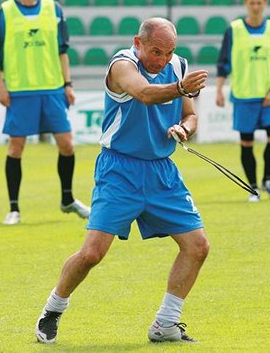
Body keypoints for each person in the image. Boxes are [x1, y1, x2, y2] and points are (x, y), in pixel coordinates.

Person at [35, 17, 210, 344]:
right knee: (92, 254)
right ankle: (53, 308)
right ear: (138, 42)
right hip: (120, 170)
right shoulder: (121, 65)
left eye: (169, 53)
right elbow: (143, 94)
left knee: (197, 247)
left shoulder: (177, 66)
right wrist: (181, 87)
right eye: (156, 51)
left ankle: (166, 324)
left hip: (161, 171)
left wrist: (184, 128)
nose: (162, 60)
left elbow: (190, 113)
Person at [0, 0, 90, 225]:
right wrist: (0, 86)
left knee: (67, 144)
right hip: (19, 91)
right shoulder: (4, 12)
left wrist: (67, 84)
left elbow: (63, 51)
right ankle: (14, 209)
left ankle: (68, 199)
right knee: (16, 147)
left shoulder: (54, 9)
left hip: (52, 89)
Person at [215, 0, 270, 202]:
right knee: (246, 143)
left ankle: (268, 180)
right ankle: (253, 187)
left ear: (265, 4)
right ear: (246, 4)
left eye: (259, 2)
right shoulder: (234, 29)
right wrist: (219, 90)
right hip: (243, 96)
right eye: (252, 2)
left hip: (268, 96)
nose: (255, 6)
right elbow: (223, 63)